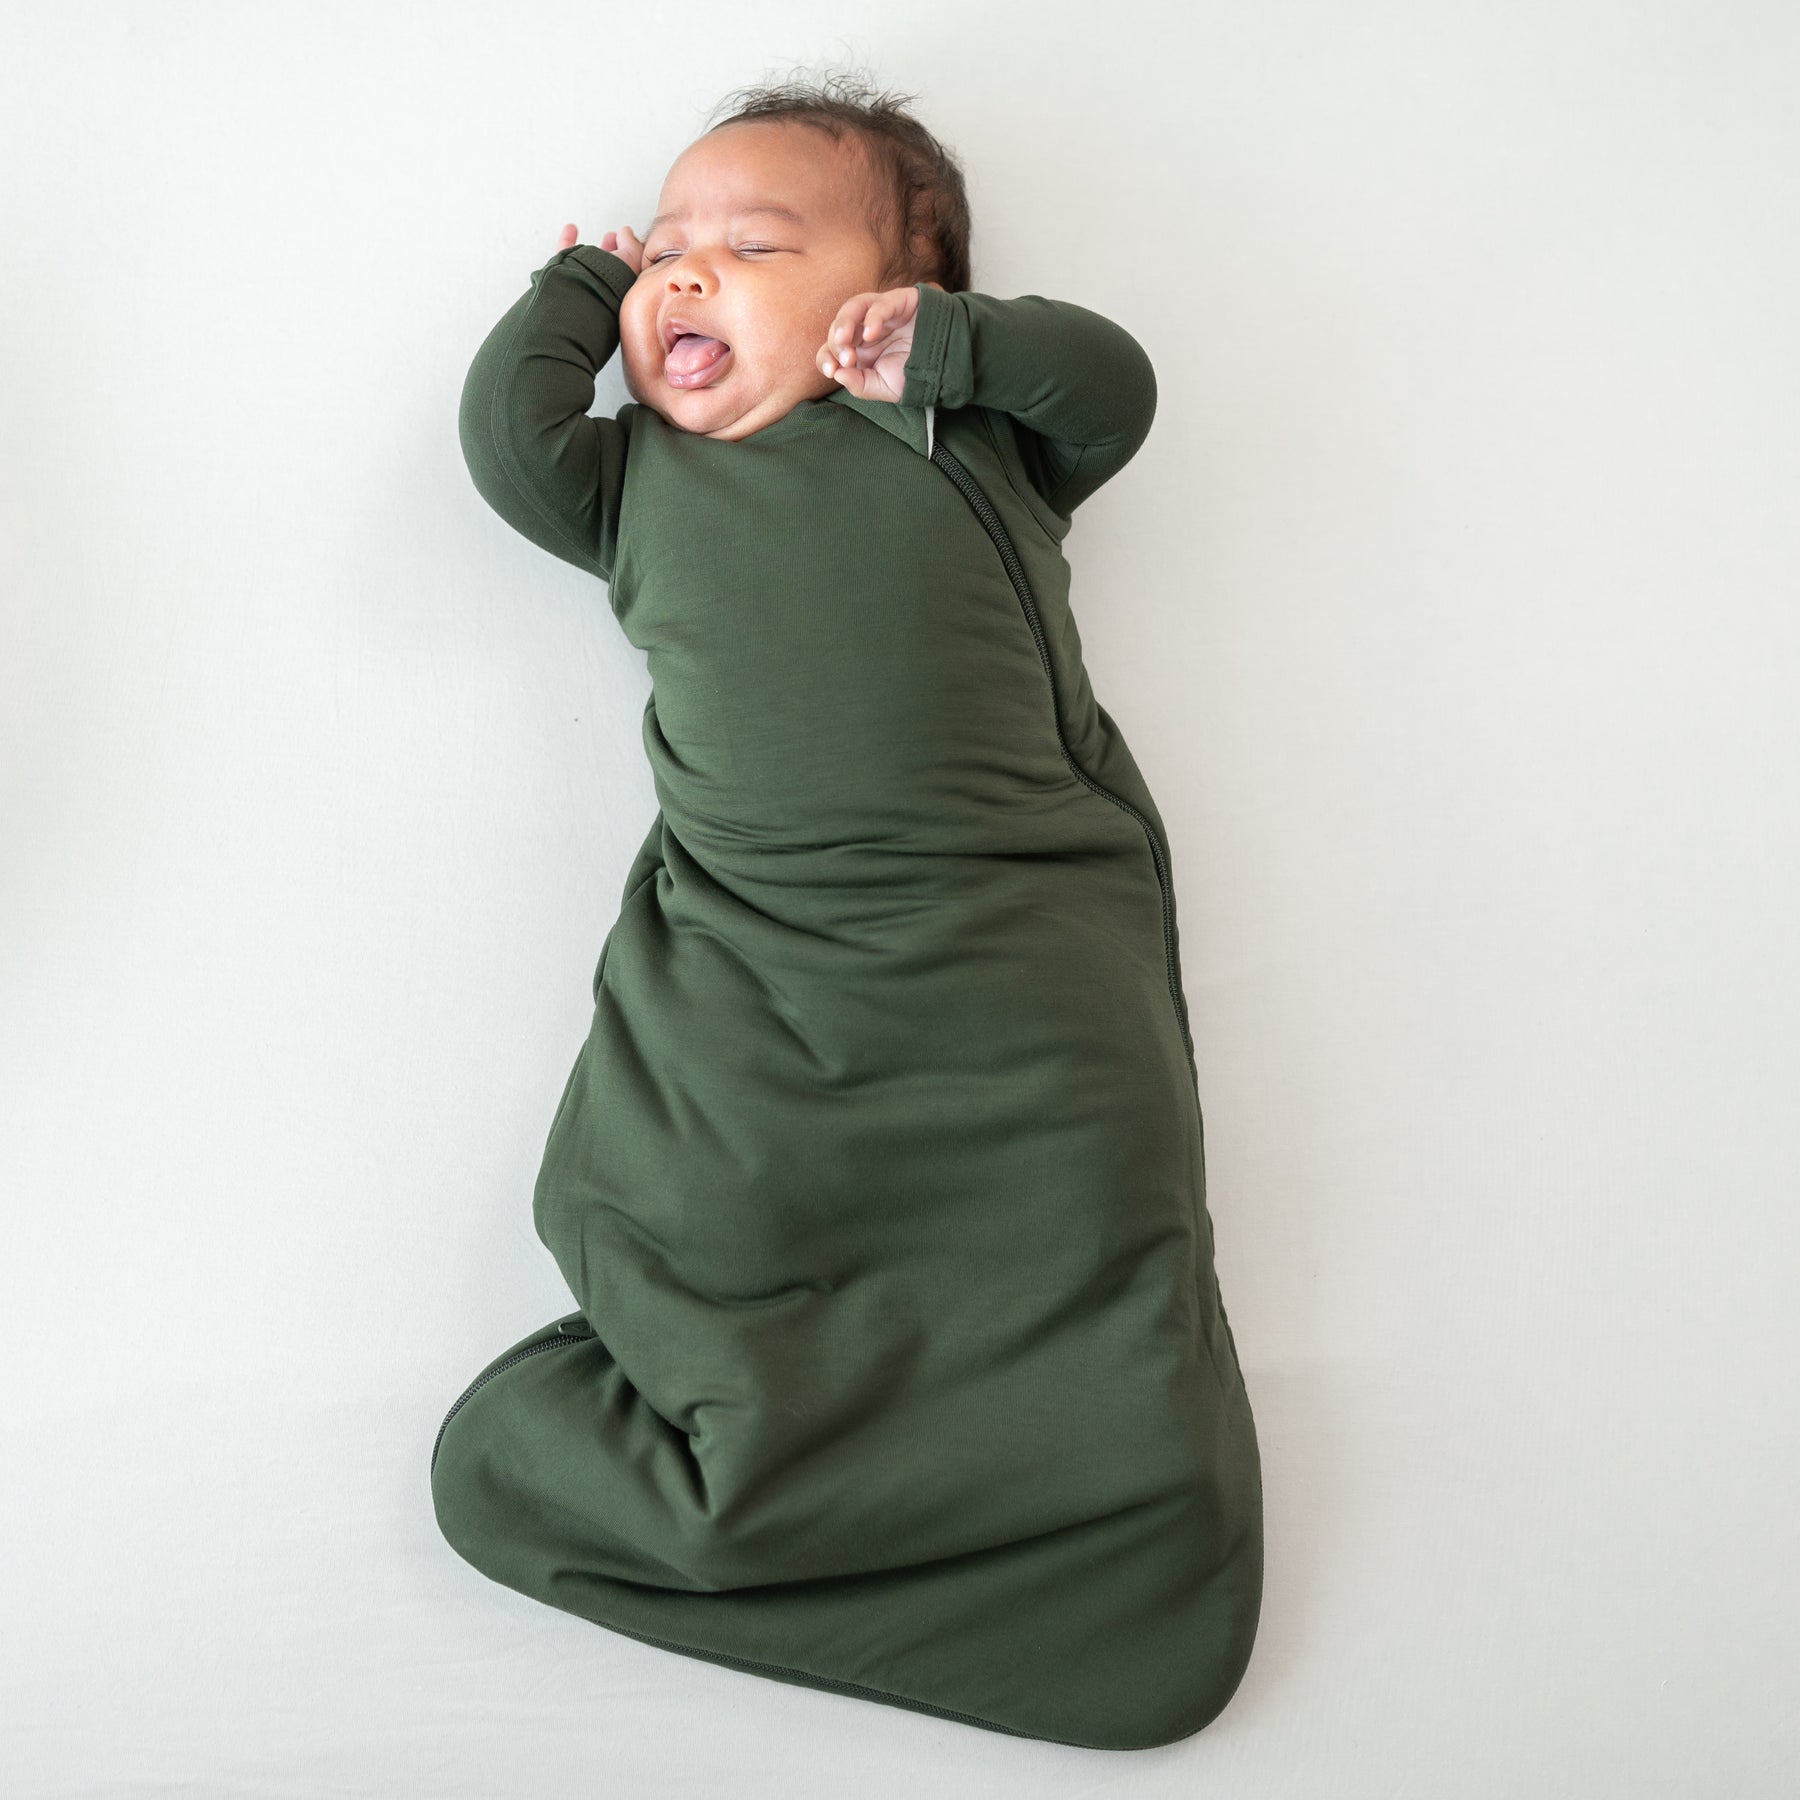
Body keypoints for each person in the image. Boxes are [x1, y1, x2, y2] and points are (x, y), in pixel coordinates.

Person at [431, 72, 1263, 1751]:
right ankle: (771, 1476)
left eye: (753, 245)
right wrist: (581, 284)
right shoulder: (630, 486)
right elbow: (506, 436)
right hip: (769, 963)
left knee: (1079, 1201)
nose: (688, 270)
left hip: (1012, 944)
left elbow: (1115, 381)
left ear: (899, 297)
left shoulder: (975, 441)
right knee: (729, 1200)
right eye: (668, 248)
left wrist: (952, 354)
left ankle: (1095, 1511)